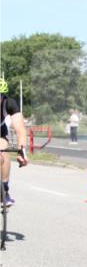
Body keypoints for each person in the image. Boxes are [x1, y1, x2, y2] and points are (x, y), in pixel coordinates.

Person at [0, 76, 30, 206]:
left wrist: (21, 152)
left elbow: (21, 130)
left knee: (3, 151)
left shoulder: (9, 103)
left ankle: (4, 191)